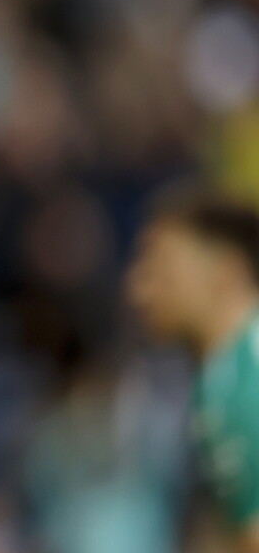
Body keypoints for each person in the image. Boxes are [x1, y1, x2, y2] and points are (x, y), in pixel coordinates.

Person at [126, 186, 259, 553]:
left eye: (161, 268)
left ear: (227, 272)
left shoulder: (238, 385)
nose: (138, 289)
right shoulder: (225, 375)